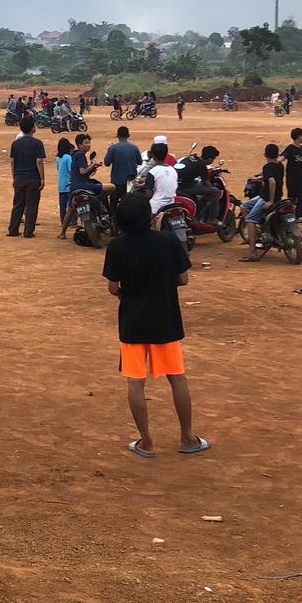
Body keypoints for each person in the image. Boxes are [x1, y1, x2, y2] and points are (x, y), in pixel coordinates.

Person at [102, 194, 208, 459]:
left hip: (132, 322)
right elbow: (182, 279)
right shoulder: (168, 241)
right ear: (149, 216)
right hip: (165, 319)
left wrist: (127, 296)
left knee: (135, 383)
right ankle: (187, 437)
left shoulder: (116, 246)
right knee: (177, 378)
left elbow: (113, 287)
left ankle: (147, 442)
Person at [239, 143, 285, 261]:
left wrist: (270, 200)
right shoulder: (280, 165)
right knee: (243, 206)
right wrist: (259, 178)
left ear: (265, 154)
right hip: (273, 196)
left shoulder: (267, 167)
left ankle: (252, 252)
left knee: (250, 220)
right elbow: (271, 176)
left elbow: (272, 181)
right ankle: (254, 236)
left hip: (265, 198)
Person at [6, 116, 46, 238]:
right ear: (32, 128)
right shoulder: (38, 143)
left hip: (19, 177)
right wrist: (42, 179)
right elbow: (39, 161)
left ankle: (13, 229)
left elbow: (12, 162)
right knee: (32, 205)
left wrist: (14, 177)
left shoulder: (15, 143)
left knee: (18, 204)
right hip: (33, 178)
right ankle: (28, 231)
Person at [175, 146, 220, 223]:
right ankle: (212, 218)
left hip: (177, 184)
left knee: (197, 183)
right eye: (213, 159)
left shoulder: (191, 157)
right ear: (209, 159)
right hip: (185, 187)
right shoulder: (201, 165)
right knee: (215, 191)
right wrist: (211, 188)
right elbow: (206, 183)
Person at [103, 126, 143, 208]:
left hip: (117, 181)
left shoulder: (113, 148)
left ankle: (113, 218)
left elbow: (106, 163)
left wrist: (109, 150)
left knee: (113, 202)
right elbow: (140, 162)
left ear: (117, 135)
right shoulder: (134, 147)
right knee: (129, 203)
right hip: (130, 180)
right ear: (128, 135)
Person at [281, 127, 302, 222]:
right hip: (292, 176)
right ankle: (290, 215)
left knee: (301, 195)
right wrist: (278, 160)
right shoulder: (290, 148)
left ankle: (300, 215)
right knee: (292, 196)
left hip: (301, 176)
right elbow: (283, 156)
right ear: (299, 137)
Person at [140, 142, 178, 214]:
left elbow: (149, 194)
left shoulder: (152, 172)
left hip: (156, 207)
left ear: (153, 156)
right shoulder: (173, 170)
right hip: (171, 205)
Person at [55, 138, 76, 238]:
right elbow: (71, 169)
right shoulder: (68, 157)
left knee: (62, 205)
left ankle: (63, 221)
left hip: (61, 184)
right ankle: (73, 221)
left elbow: (58, 169)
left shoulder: (58, 158)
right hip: (69, 183)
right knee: (72, 204)